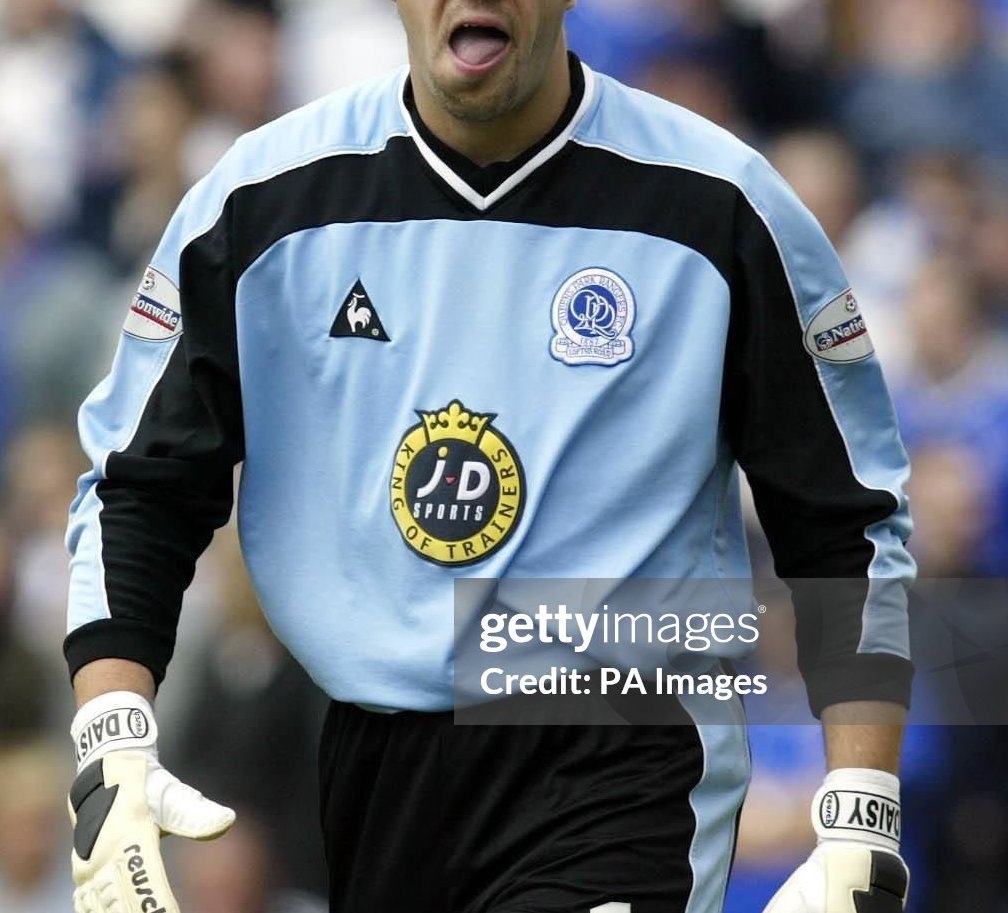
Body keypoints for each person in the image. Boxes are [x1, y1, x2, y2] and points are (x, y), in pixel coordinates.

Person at [63, 3, 916, 912]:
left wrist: (862, 809)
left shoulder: (722, 205)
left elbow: (847, 519)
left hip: (621, 738)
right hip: (373, 754)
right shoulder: (259, 203)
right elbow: (138, 488)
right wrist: (110, 741)